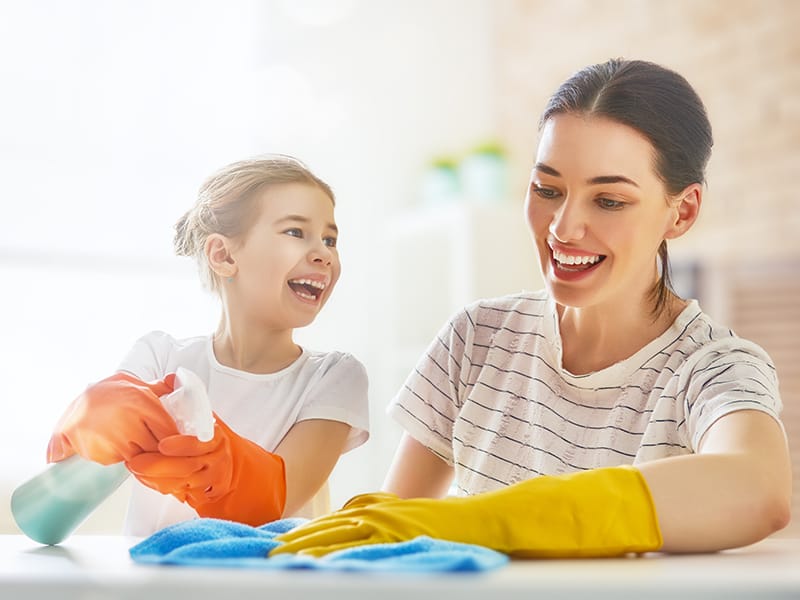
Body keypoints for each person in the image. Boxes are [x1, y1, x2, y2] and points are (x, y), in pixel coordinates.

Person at [271, 59, 792, 558]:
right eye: (547, 189)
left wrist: (489, 521)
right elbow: (396, 529)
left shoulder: (713, 368)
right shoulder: (476, 339)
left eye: (608, 200)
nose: (563, 229)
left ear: (683, 212)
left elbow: (760, 488)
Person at [46, 155, 370, 536]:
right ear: (224, 255)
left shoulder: (333, 376)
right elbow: (62, 491)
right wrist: (97, 419)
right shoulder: (160, 355)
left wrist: (209, 454)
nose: (324, 254)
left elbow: (275, 501)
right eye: (296, 233)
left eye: (330, 239)